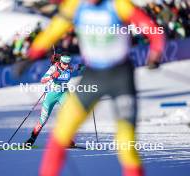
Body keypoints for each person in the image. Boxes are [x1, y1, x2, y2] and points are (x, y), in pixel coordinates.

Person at [26, 0, 165, 176]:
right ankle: (35, 145)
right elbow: (54, 30)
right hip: (93, 76)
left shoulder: (119, 5)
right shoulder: (75, 5)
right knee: (60, 133)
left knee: (126, 142)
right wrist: (33, 53)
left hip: (120, 77)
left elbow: (153, 30)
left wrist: (155, 53)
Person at [25, 54, 76, 146]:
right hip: (51, 95)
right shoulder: (53, 68)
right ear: (60, 62)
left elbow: (78, 67)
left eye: (68, 63)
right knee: (43, 120)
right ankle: (31, 140)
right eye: (64, 64)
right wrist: (52, 76)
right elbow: (43, 80)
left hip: (63, 93)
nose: (67, 66)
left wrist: (85, 68)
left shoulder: (69, 67)